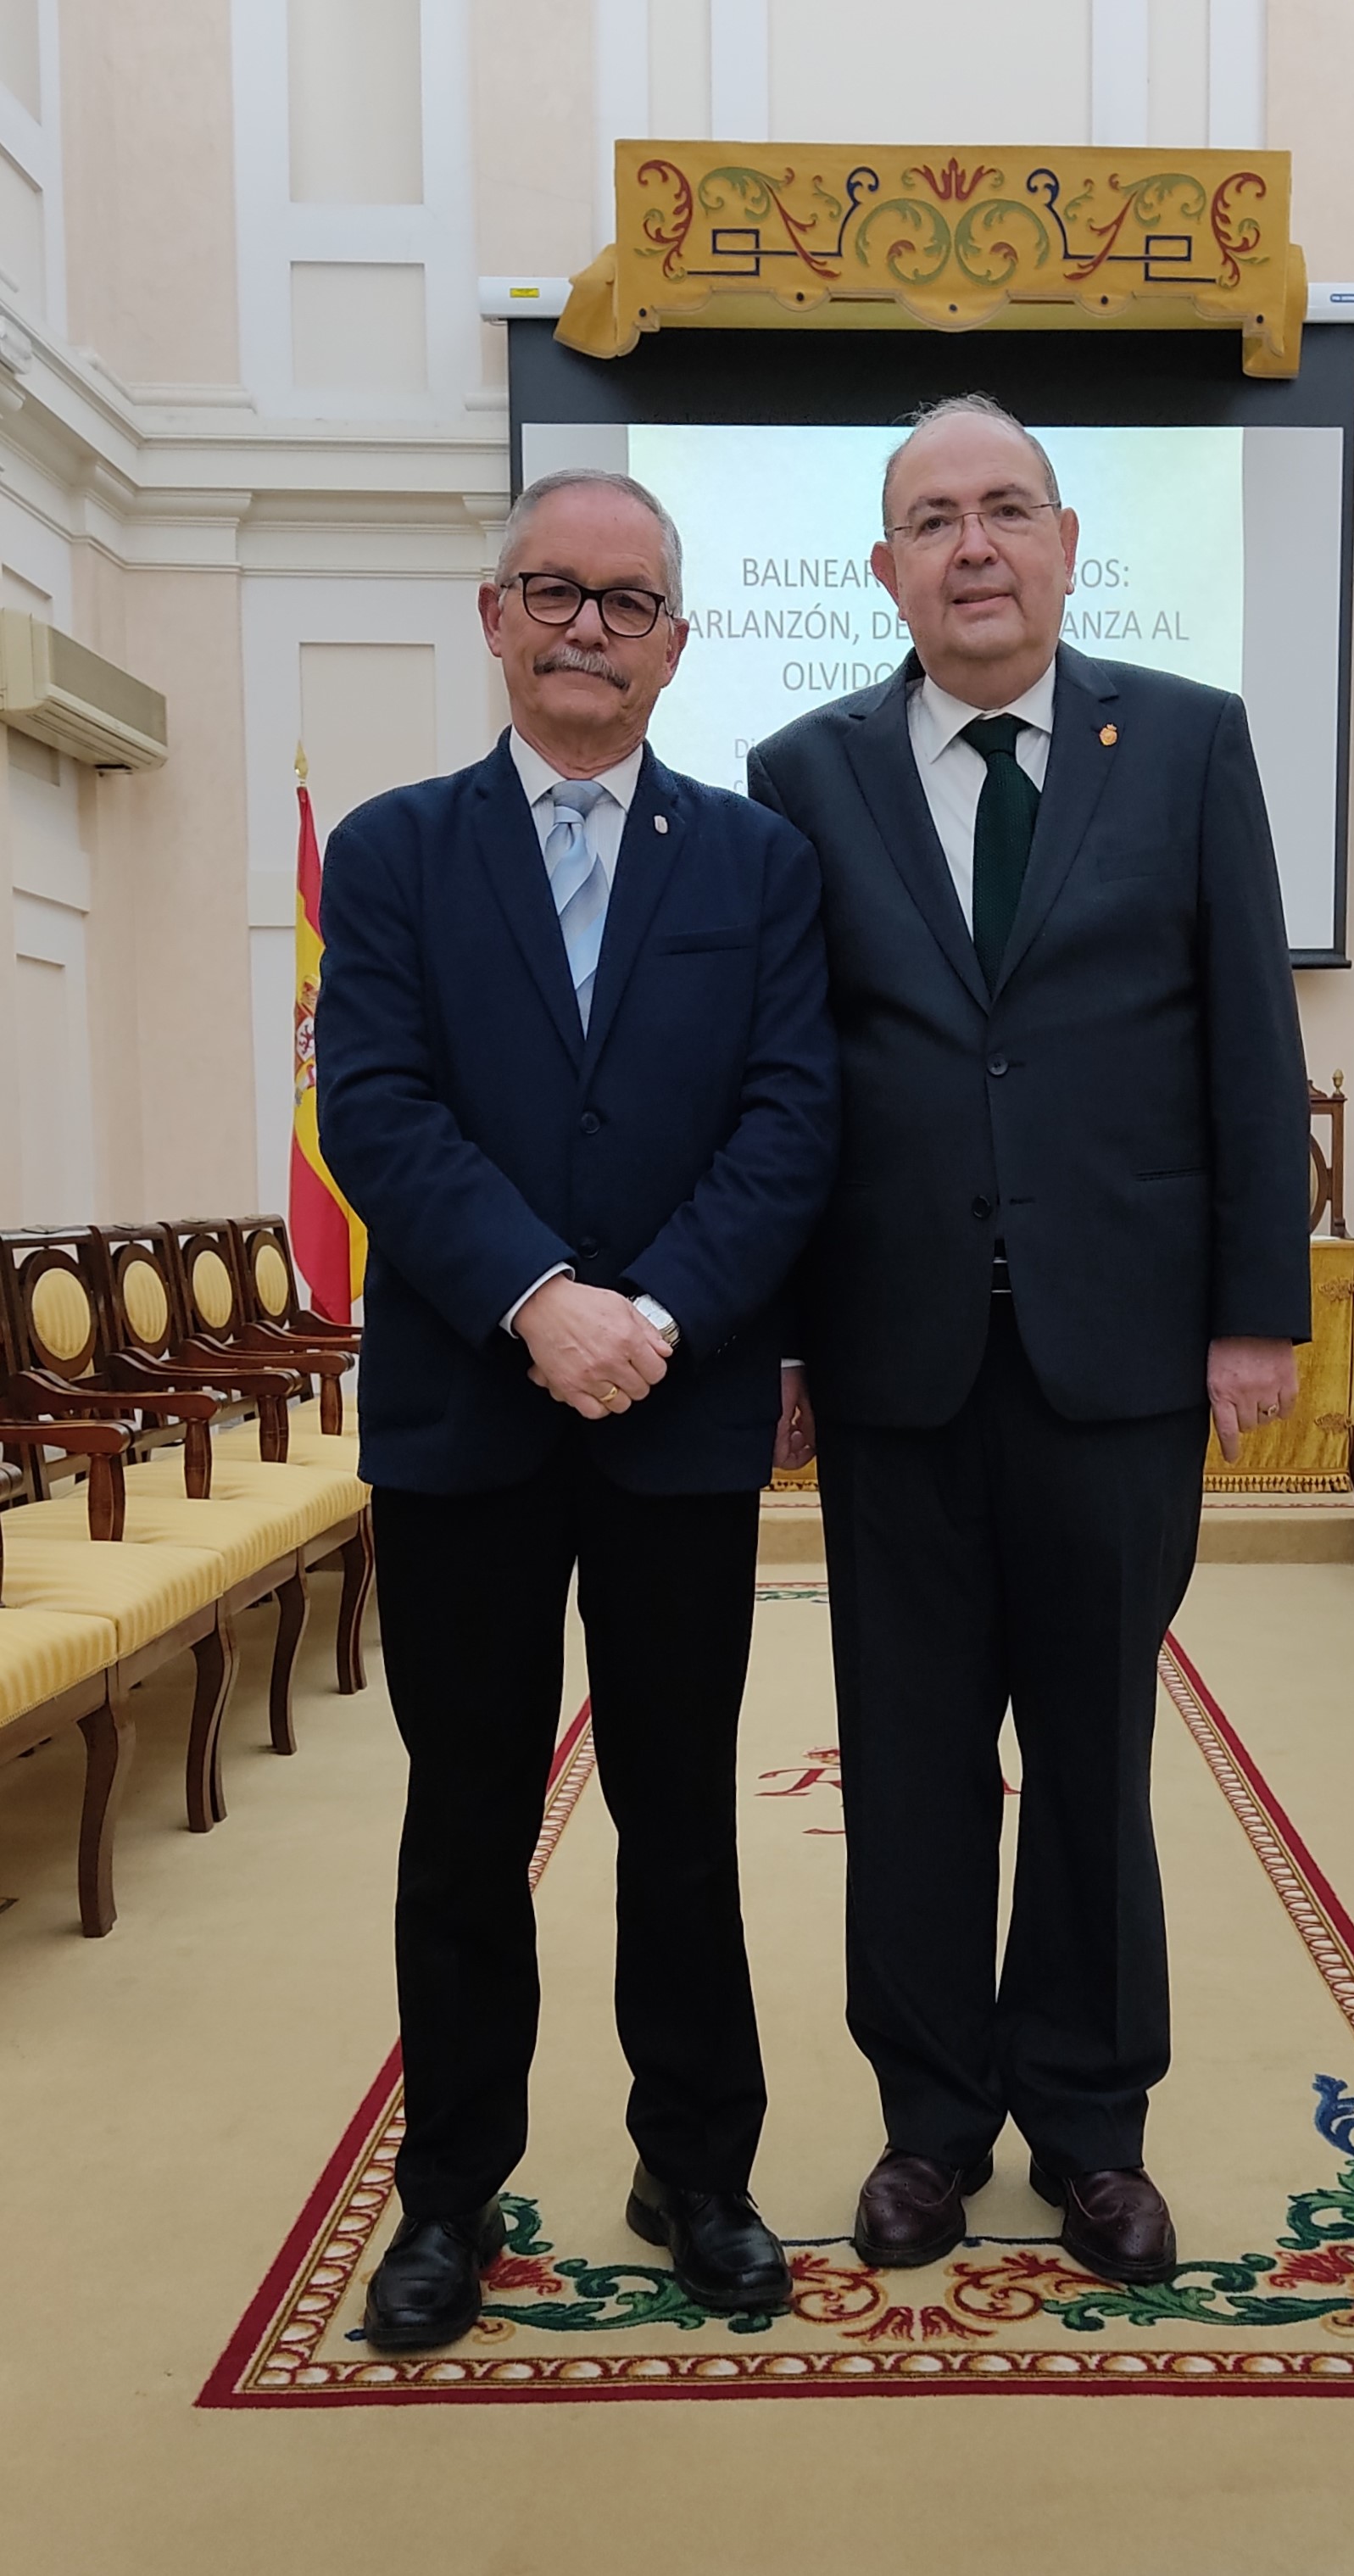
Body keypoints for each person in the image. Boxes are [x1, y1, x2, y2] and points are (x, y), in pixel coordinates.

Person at [750, 395, 1309, 2286]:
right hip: (893, 1354)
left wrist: (1253, 1313)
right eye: (931, 518)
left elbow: (1248, 1040)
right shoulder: (798, 769)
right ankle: (925, 2123)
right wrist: (777, 1344)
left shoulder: (1188, 743)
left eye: (1004, 510)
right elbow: (783, 1084)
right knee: (906, 1757)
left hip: (1118, 1356)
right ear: (883, 568)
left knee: (1090, 1751)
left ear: (1065, 543)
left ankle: (1089, 2125)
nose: (971, 545)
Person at [317, 466, 839, 2349]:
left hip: (675, 1419)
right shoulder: (387, 852)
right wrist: (541, 1301)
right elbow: (370, 1105)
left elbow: (792, 1120)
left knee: (677, 1812)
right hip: (466, 1408)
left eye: (626, 603)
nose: (587, 629)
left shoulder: (759, 862)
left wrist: (660, 1315)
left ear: (677, 643)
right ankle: (449, 2193)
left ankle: (695, 2168)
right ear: (493, 616)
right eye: (553, 591)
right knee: (462, 1820)